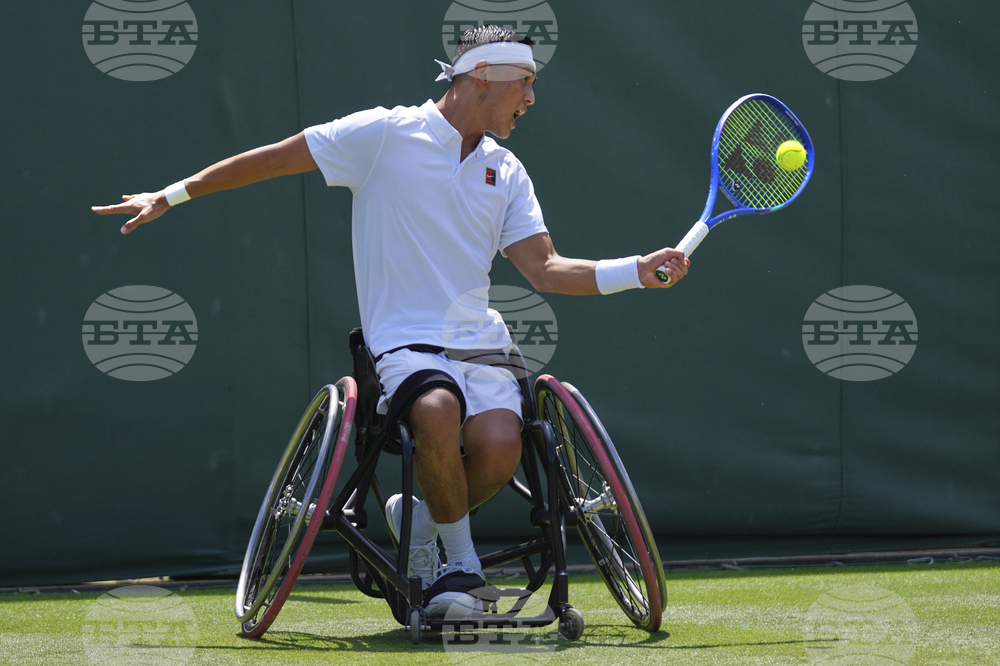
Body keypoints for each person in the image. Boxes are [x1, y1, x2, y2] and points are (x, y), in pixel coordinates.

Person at [93, 25, 689, 617]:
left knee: (502, 447)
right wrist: (171, 195)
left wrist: (636, 269)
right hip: (405, 340)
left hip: (480, 341)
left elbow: (546, 268)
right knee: (435, 410)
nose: (531, 98)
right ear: (482, 74)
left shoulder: (506, 171)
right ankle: (460, 569)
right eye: (525, 83)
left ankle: (422, 518)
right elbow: (272, 160)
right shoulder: (382, 134)